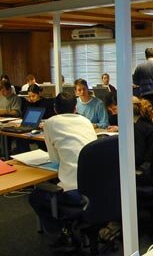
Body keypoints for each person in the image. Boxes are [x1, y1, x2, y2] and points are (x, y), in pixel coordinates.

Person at [28, 92, 97, 249]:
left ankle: (62, 232)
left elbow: (55, 160)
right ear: (75, 108)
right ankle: (71, 228)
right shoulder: (86, 121)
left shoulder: (50, 123)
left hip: (75, 193)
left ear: (55, 108)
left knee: (35, 196)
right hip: (97, 188)